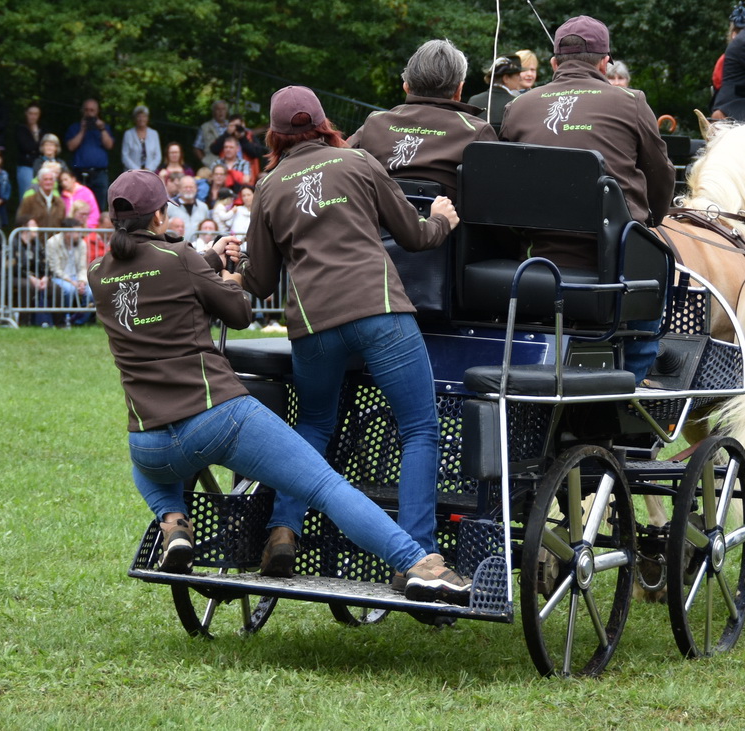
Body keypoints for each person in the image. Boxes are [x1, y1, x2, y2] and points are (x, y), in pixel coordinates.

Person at [90, 167, 468, 599]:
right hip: (218, 416)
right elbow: (237, 311)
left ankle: (174, 521)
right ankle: (415, 561)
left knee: (148, 469)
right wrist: (228, 278)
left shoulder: (98, 272)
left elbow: (161, 274)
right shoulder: (180, 259)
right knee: (324, 485)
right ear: (160, 217)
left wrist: (210, 257)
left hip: (151, 443)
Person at [238, 86, 460, 576]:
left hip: (313, 327)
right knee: (420, 429)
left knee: (313, 426)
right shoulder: (358, 162)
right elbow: (414, 236)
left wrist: (235, 263)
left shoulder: (269, 186)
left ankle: (282, 531)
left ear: (275, 135)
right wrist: (441, 220)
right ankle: (419, 554)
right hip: (379, 311)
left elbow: (257, 281)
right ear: (324, 123)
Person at [500, 15, 675, 383]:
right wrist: (652, 222)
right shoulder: (631, 102)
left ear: (553, 64)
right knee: (657, 281)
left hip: (536, 262)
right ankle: (629, 380)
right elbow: (661, 174)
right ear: (604, 63)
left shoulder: (519, 107)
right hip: (615, 268)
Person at [349, 39, 497, 201]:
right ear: (459, 90)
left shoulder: (374, 123)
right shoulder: (476, 131)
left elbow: (339, 168)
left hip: (376, 224)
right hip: (451, 224)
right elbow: (493, 196)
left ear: (406, 87)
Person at [64, 98, 115, 206]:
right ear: (82, 111)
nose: (89, 113)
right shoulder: (75, 127)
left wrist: (102, 129)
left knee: (99, 205)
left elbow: (109, 145)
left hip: (99, 174)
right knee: (79, 206)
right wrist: (82, 130)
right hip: (79, 173)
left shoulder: (104, 128)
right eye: (87, 110)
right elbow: (71, 147)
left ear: (97, 112)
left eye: (92, 110)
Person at [45, 218, 92, 326]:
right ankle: (65, 318)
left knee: (91, 292)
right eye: (77, 232)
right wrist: (71, 281)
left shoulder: (82, 243)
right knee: (69, 290)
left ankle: (78, 321)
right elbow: (55, 269)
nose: (80, 235)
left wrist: (82, 281)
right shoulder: (53, 242)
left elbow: (82, 267)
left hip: (76, 277)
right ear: (67, 232)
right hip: (59, 277)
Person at [11, 220, 55, 327]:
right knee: (27, 285)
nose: (37, 228)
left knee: (55, 287)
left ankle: (58, 322)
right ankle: (24, 322)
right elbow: (14, 267)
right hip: (15, 276)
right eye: (33, 226)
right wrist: (30, 277)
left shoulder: (37, 244)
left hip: (36, 277)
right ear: (24, 228)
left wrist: (45, 276)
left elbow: (44, 262)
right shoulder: (13, 243)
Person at [466, 53, 524, 129]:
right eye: (517, 75)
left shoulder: (474, 101)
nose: (520, 79)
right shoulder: (516, 103)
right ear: (506, 78)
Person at [14, 104, 45, 198]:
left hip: (41, 167)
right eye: (31, 113)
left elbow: (45, 148)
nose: (33, 116)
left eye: (36, 114)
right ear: (26, 114)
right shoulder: (20, 129)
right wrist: (35, 135)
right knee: (27, 197)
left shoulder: (43, 129)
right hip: (26, 166)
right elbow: (26, 147)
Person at [122, 106, 161, 173]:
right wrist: (137, 170)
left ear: (147, 118)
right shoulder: (128, 134)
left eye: (144, 116)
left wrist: (148, 169)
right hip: (132, 173)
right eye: (139, 116)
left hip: (150, 173)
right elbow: (125, 156)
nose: (141, 119)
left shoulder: (154, 134)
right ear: (135, 119)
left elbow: (158, 156)